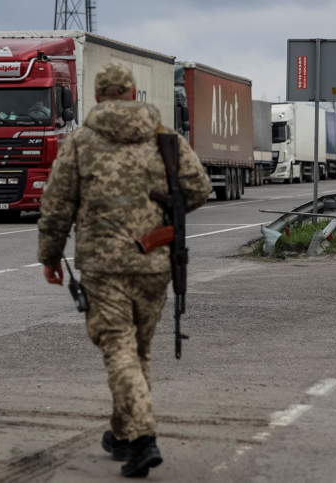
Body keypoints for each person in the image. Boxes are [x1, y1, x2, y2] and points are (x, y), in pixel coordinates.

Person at [37, 62, 212, 478]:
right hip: (154, 263)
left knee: (118, 349)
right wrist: (163, 210)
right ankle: (122, 435)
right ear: (134, 95)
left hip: (102, 266)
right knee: (136, 353)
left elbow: (57, 204)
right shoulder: (164, 139)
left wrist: (49, 256)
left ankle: (143, 439)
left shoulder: (80, 142)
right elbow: (200, 188)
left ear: (97, 98)